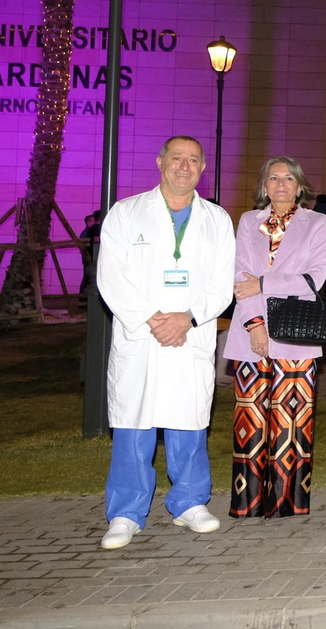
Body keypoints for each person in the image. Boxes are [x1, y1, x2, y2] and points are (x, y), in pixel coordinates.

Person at [96, 136, 235, 550]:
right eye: (177, 158)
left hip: (189, 333)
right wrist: (150, 319)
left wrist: (186, 318)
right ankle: (125, 512)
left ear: (203, 167)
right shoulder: (126, 213)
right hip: (141, 336)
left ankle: (190, 502)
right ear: (160, 162)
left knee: (188, 419)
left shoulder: (216, 219)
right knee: (133, 422)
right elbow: (111, 276)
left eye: (193, 159)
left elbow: (221, 284)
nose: (184, 166)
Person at [226, 156, 326, 519]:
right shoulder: (247, 222)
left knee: (293, 420)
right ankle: (249, 502)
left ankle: (288, 503)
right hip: (250, 332)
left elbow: (314, 278)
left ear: (300, 186)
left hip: (296, 334)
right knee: (251, 421)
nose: (281, 184)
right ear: (264, 186)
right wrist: (255, 323)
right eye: (274, 178)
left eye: (289, 178)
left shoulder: (316, 223)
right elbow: (241, 273)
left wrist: (265, 283)